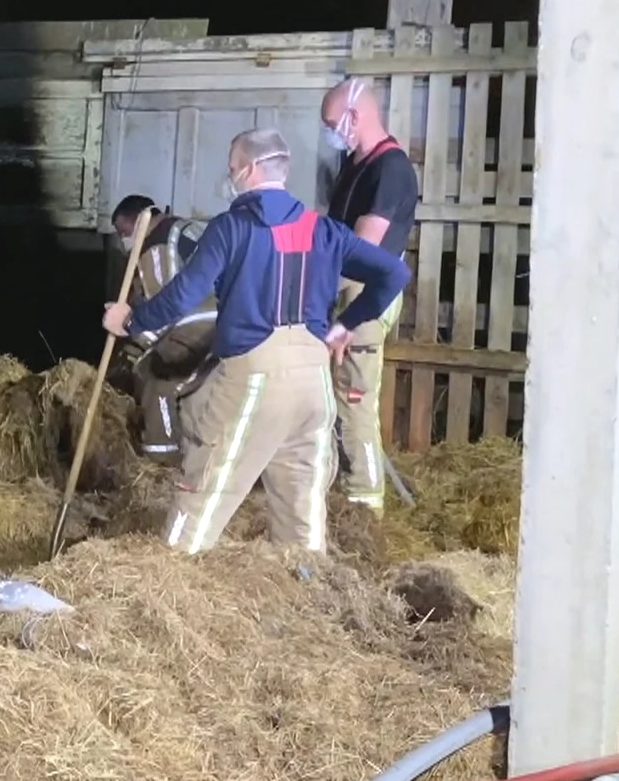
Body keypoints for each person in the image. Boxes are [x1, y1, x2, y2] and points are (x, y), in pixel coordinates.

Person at [101, 128, 409, 554]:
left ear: (249, 170)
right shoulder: (323, 230)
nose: (230, 177)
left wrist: (132, 319)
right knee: (301, 506)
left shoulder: (231, 229)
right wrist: (346, 324)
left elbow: (183, 295)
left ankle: (167, 577)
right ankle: (305, 587)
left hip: (256, 373)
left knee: (205, 487)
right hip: (314, 381)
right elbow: (394, 274)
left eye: (232, 168)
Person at [319, 75, 420, 513]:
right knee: (333, 395)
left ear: (354, 116)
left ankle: (365, 508)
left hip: (363, 292)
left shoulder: (390, 169)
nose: (329, 132)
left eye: (331, 122)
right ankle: (337, 489)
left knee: (354, 397)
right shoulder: (354, 164)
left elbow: (363, 247)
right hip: (342, 286)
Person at [110, 194, 215, 458]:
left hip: (196, 324)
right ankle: (194, 455)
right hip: (224, 321)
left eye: (123, 232)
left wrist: (134, 348)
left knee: (154, 377)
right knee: (193, 388)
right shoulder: (186, 228)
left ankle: (160, 461)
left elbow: (164, 309)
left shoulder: (156, 247)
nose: (124, 241)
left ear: (137, 221)